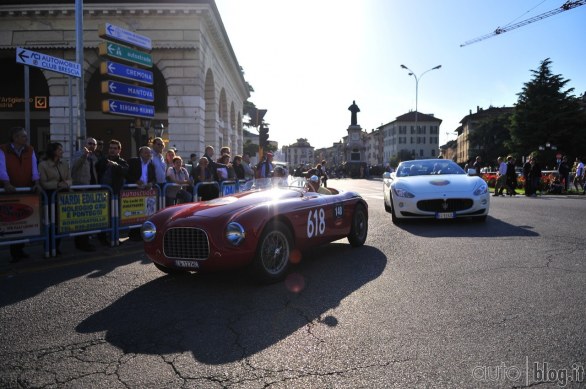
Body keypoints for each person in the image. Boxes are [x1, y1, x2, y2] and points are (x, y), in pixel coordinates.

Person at [0, 127, 42, 262]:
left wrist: (36, 182)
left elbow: (34, 167)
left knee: (25, 221)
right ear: (15, 138)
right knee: (12, 221)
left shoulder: (30, 149)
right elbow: (2, 168)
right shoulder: (3, 149)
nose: (26, 138)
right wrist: (6, 183)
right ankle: (14, 251)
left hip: (26, 190)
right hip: (10, 191)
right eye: (23, 136)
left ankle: (20, 249)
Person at [38, 142, 72, 255]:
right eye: (59, 150)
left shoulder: (65, 163)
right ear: (53, 151)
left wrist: (66, 184)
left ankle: (56, 247)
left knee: (59, 223)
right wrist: (57, 184)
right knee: (49, 224)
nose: (62, 152)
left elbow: (70, 179)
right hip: (49, 198)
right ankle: (48, 248)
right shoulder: (43, 165)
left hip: (62, 198)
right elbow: (43, 183)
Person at [96, 140, 129, 245]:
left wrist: (115, 165)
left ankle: (114, 237)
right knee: (103, 216)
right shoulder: (102, 160)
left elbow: (125, 171)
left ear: (119, 150)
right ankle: (102, 238)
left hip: (115, 194)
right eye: (111, 148)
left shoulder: (122, 161)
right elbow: (96, 170)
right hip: (102, 194)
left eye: (115, 148)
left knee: (115, 216)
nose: (112, 150)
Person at [70, 137, 99, 251]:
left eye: (94, 144)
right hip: (81, 190)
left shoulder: (94, 157)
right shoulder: (78, 154)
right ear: (84, 144)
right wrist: (83, 156)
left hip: (91, 190)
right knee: (82, 219)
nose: (92, 145)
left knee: (89, 219)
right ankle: (81, 243)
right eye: (90, 143)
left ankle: (85, 241)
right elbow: (74, 168)